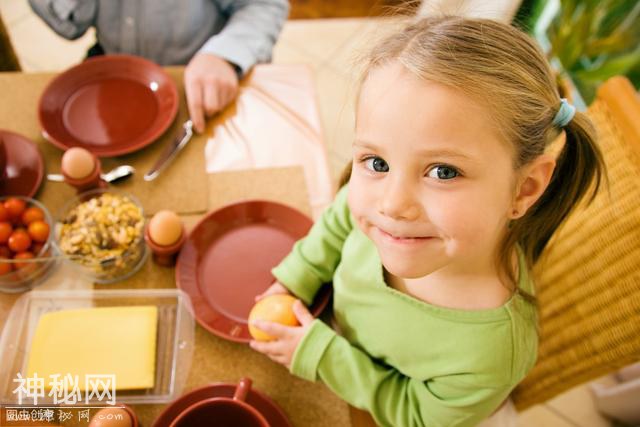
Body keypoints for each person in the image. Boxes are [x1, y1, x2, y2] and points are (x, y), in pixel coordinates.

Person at [249, 16, 606, 427]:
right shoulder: (386, 219)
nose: (393, 204)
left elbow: (415, 414)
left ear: (523, 190)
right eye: (377, 162)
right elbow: (338, 219)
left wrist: (322, 355)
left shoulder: (493, 350)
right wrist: (297, 277)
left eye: (443, 172)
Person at [28, 0, 289, 133]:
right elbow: (71, 25)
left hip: (201, 76)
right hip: (116, 72)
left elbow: (263, 4)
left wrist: (224, 56)